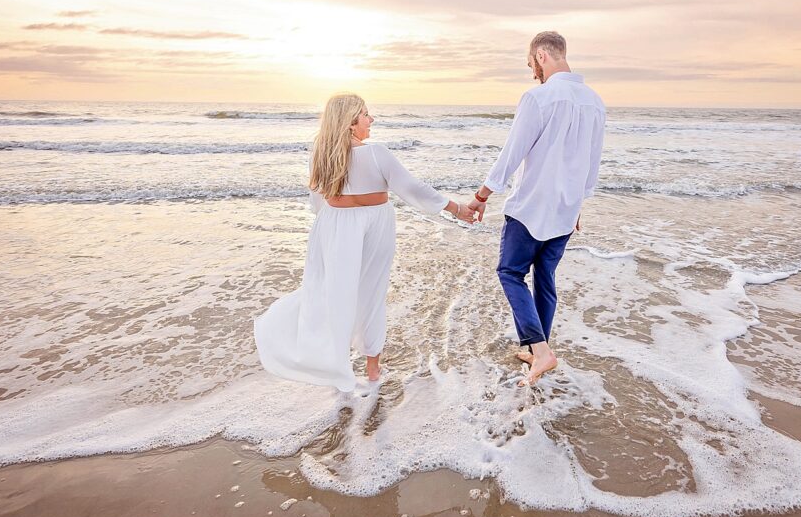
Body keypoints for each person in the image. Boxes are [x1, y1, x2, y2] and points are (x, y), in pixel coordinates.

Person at [255, 94, 476, 392]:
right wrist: (458, 209)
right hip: (373, 226)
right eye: (366, 115)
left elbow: (316, 202)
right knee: (371, 293)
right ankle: (373, 370)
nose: (371, 120)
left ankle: (337, 367)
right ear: (350, 123)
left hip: (332, 226)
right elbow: (413, 188)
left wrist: (333, 227)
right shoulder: (377, 154)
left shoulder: (320, 155)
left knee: (333, 293)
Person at [469, 32, 606, 386]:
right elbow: (593, 163)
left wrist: (482, 195)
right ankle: (535, 351)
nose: (533, 73)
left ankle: (541, 352)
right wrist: (578, 204)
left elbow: (511, 154)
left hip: (531, 207)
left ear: (542, 56)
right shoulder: (595, 102)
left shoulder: (538, 98)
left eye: (532, 65)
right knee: (545, 279)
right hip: (565, 209)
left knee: (510, 273)